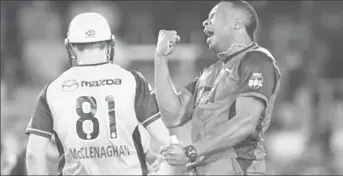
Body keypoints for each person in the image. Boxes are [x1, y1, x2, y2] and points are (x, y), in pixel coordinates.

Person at [25, 12, 172, 175]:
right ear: (111, 44)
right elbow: (164, 138)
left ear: (70, 46)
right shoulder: (133, 80)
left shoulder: (52, 90)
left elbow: (33, 155)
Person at [155, 0, 281, 175]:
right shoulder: (210, 72)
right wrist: (160, 59)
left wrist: (191, 151)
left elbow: (245, 122)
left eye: (213, 16)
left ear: (237, 23)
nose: (205, 23)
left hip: (238, 169)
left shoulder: (256, 60)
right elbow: (173, 116)